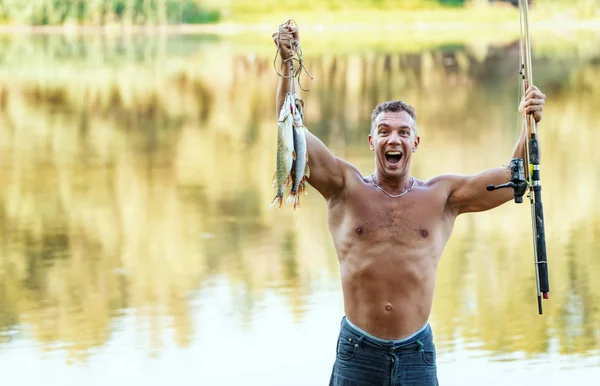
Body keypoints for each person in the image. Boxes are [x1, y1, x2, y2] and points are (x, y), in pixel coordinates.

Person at [272, 23, 546, 386]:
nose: (393, 138)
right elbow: (289, 131)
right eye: (384, 131)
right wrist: (288, 66)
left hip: (417, 353)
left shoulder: (442, 197)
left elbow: (515, 180)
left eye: (403, 132)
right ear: (372, 142)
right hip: (358, 353)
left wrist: (529, 125)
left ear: (416, 142)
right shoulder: (344, 187)